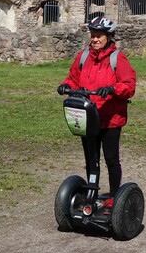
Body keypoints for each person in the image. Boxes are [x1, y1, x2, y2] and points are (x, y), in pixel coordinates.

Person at [57, 16, 137, 206]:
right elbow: (73, 79)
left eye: (99, 36)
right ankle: (91, 194)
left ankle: (114, 197)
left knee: (111, 159)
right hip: (88, 117)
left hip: (111, 118)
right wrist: (64, 86)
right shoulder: (83, 57)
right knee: (91, 159)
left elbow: (129, 85)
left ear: (108, 37)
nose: (95, 39)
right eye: (92, 35)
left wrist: (112, 89)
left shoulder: (117, 59)